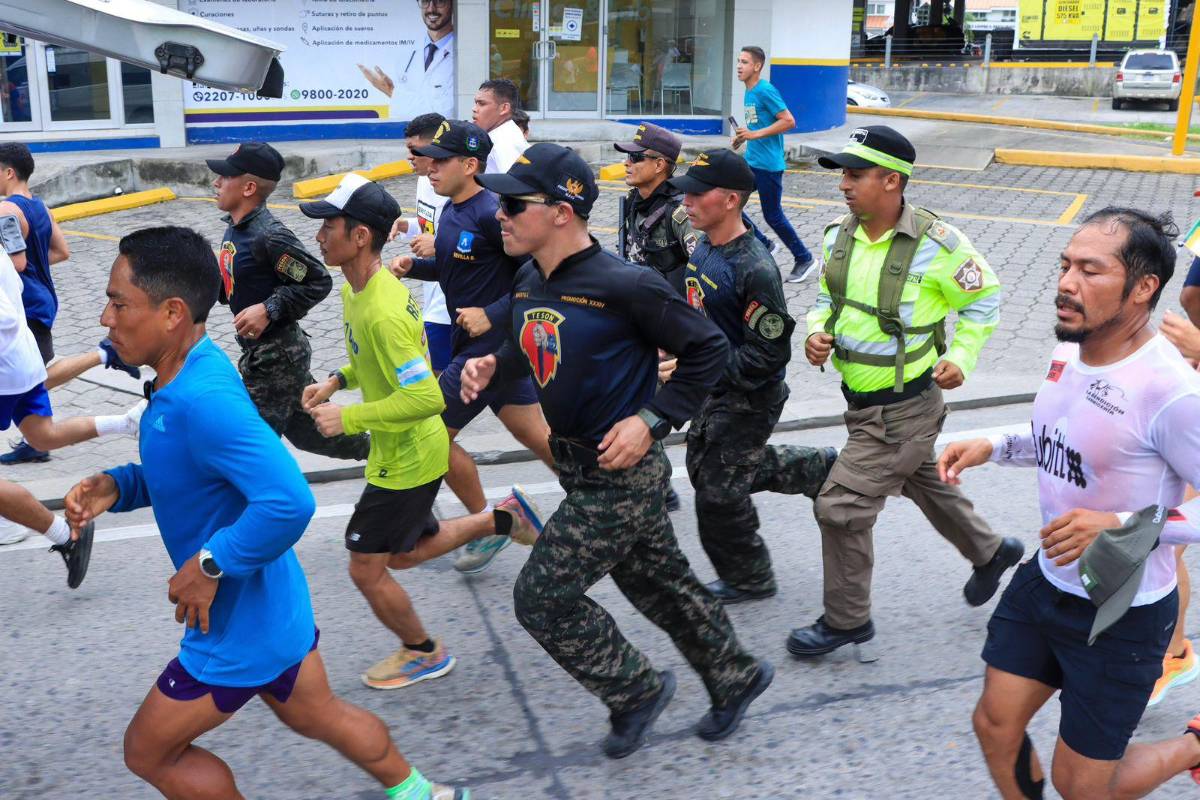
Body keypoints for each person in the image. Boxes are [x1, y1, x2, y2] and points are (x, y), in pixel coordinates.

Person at [64, 225, 470, 799]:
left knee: (149, 751)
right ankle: (423, 793)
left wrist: (208, 566)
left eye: (118, 303)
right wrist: (120, 485)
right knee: (318, 714)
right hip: (274, 606)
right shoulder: (188, 373)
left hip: (237, 626)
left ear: (172, 312)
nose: (106, 318)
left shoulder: (203, 400)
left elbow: (288, 500)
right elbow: (198, 473)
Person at [466, 142, 773, 759]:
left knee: (541, 599)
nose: (500, 212)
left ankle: (635, 691)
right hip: (578, 463)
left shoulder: (627, 285)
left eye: (514, 203)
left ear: (560, 212)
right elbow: (533, 342)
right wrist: (492, 363)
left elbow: (709, 350)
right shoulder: (531, 278)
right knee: (660, 586)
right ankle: (736, 675)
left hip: (623, 472)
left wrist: (652, 421)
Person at [940, 208, 1200, 800]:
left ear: (1143, 289)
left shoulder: (1172, 391)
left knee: (1083, 788)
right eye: (1065, 266)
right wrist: (996, 443)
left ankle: (1195, 745)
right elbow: (1068, 436)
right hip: (1048, 581)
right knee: (995, 725)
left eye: (1090, 270)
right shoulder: (1072, 350)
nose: (1065, 282)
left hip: (1123, 612)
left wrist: (1124, 526)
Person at [299, 173, 544, 691]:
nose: (319, 236)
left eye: (328, 226)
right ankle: (500, 519)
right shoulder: (358, 290)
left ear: (360, 235)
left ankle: (423, 651)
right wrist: (337, 380)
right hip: (404, 449)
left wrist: (349, 417)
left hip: (410, 455)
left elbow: (427, 397)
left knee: (367, 567)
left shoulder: (384, 308)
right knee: (406, 552)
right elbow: (377, 364)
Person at [791, 125, 1022, 658]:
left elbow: (984, 301)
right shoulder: (837, 236)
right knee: (923, 481)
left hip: (905, 410)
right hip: (863, 404)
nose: (843, 185)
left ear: (891, 181)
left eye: (855, 174)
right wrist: (815, 333)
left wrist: (960, 357)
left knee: (841, 507)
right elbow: (827, 299)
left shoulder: (940, 245)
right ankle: (991, 552)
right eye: (842, 174)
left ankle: (847, 620)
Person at [666, 148, 838, 604]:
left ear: (730, 200)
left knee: (718, 493)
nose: (687, 202)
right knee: (710, 470)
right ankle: (816, 466)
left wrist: (695, 366)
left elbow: (768, 355)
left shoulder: (754, 268)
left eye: (697, 194)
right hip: (711, 384)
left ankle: (750, 577)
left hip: (749, 394)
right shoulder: (704, 244)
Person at [390, 120, 554, 576]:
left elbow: (541, 273)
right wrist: (415, 266)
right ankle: (607, 498)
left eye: (441, 160)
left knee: (430, 433)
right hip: (485, 345)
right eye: (430, 158)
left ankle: (492, 521)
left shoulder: (491, 212)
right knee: (536, 436)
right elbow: (457, 268)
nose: (430, 167)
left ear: (471, 164)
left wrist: (494, 314)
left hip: (488, 349)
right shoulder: (452, 209)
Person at [207, 141, 369, 461]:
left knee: (248, 448)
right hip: (261, 354)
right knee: (314, 433)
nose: (216, 182)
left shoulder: (269, 236)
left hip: (277, 359)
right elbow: (237, 283)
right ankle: (384, 449)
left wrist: (269, 309)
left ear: (249, 187)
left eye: (225, 177)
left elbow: (317, 280)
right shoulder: (237, 231)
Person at [0, 141, 140, 465]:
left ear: (8, 172)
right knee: (32, 377)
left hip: (22, 305)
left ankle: (105, 354)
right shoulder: (40, 208)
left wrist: (19, 270)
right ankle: (36, 440)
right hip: (42, 299)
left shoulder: (6, 211)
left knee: (33, 377)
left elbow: (18, 263)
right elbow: (62, 252)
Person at [613, 121, 697, 514]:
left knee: (655, 409)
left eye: (635, 157)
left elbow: (706, 270)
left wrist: (682, 331)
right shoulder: (634, 201)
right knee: (638, 403)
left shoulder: (681, 211)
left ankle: (664, 487)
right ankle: (659, 487)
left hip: (673, 328)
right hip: (640, 322)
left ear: (661, 164)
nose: (627, 163)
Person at [731, 46, 816, 284]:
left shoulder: (765, 90)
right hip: (753, 161)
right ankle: (765, 243)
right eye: (738, 61)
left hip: (768, 165)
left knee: (773, 216)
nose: (739, 66)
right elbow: (757, 126)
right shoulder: (749, 91)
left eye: (745, 62)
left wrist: (755, 135)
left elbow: (788, 121)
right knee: (731, 201)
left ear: (757, 66)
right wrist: (742, 137)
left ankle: (805, 258)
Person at [390, 112, 453, 375]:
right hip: (433, 297)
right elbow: (430, 224)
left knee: (436, 385)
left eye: (414, 150)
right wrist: (407, 226)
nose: (409, 157)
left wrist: (439, 244)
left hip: (449, 307)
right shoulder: (424, 181)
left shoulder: (455, 187)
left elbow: (482, 240)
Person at [357, 0, 455, 120]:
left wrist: (392, 92)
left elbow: (447, 113)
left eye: (439, 1)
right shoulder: (407, 56)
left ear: (452, 4)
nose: (431, 9)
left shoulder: (464, 55)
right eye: (425, 1)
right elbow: (397, 114)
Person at [472, 78, 529, 175]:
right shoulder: (500, 136)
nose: (474, 109)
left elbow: (514, 186)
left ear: (504, 108)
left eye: (482, 103)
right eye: (475, 103)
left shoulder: (505, 142)